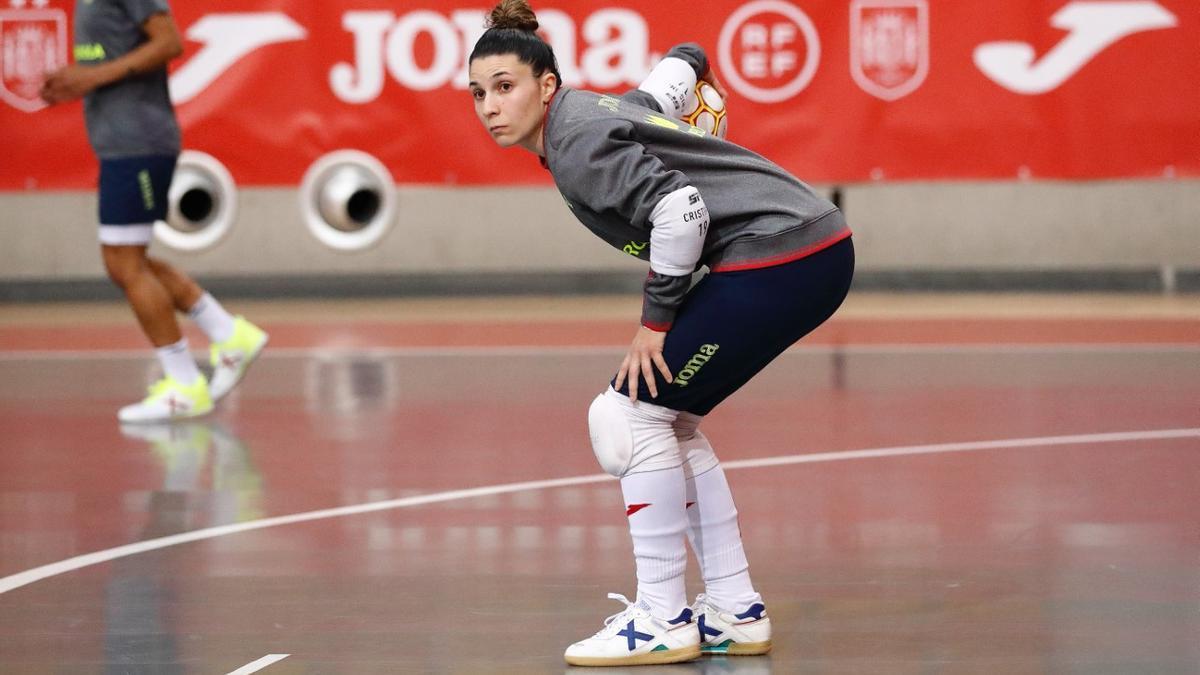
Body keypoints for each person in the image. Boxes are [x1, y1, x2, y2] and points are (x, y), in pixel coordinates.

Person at [468, 0, 854, 667]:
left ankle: (662, 618)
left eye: (505, 86)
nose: (490, 106)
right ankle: (734, 609)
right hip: (810, 248)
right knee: (667, 419)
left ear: (546, 86)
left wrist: (656, 323)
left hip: (781, 256)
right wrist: (697, 68)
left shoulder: (577, 142)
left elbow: (682, 211)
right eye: (478, 93)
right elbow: (677, 69)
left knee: (624, 414)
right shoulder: (602, 110)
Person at [40, 0, 267, 423]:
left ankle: (183, 385)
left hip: (138, 143)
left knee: (123, 264)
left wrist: (92, 76)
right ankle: (229, 334)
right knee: (130, 259)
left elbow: (168, 42)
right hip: (122, 144)